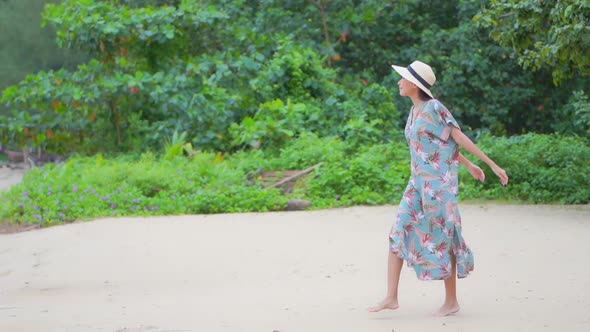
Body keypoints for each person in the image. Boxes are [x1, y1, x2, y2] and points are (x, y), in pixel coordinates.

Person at [369, 60, 509, 316]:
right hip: (417, 184)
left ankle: (451, 301)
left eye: (403, 78)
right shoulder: (414, 112)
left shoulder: (435, 107)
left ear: (415, 84)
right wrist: (466, 164)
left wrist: (490, 164)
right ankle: (391, 297)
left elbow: (457, 136)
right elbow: (439, 142)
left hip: (438, 186)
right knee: (397, 231)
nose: (399, 82)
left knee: (445, 236)